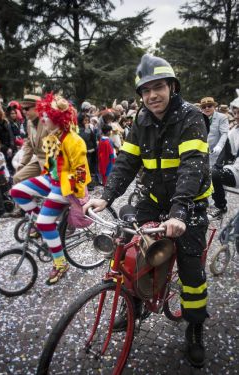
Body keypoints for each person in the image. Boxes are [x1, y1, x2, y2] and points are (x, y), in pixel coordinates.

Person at [84, 54, 212, 368]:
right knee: (133, 254)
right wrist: (107, 196)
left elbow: (192, 168)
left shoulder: (191, 116)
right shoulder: (141, 119)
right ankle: (135, 305)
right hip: (153, 198)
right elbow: (127, 162)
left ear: (172, 86)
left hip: (190, 202)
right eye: (145, 90)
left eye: (158, 87)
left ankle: (195, 329)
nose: (152, 95)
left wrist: (179, 212)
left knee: (191, 269)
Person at [11, 93, 91, 285]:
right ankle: (44, 223)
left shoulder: (74, 140)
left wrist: (75, 196)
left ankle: (61, 262)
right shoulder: (52, 137)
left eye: (47, 115)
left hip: (66, 186)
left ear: (58, 118)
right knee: (17, 191)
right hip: (52, 180)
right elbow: (50, 165)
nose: (43, 118)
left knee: (45, 223)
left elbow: (82, 174)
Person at [208, 97, 239, 220]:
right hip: (236, 170)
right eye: (235, 113)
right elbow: (227, 154)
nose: (236, 116)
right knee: (211, 173)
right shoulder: (233, 132)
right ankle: (220, 207)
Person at [13, 95, 48, 184]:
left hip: (52, 162)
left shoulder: (48, 121)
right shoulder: (29, 122)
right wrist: (23, 163)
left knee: (49, 186)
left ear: (37, 107)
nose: (24, 111)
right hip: (38, 160)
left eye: (27, 108)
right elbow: (29, 144)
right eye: (22, 109)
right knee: (17, 178)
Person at [200, 97, 229, 166]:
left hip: (216, 154)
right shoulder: (199, 118)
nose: (207, 108)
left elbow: (224, 134)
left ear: (214, 107)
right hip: (202, 154)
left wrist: (219, 146)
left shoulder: (222, 117)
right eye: (204, 107)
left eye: (209, 106)